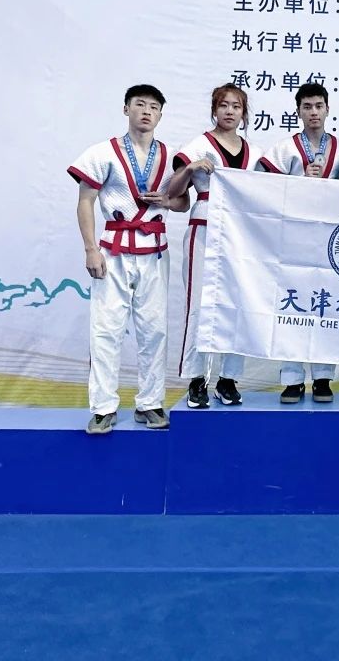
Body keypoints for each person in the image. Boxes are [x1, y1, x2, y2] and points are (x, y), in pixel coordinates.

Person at [67, 85, 177, 435]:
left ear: (160, 115)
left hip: (154, 250)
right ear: (126, 109)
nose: (146, 111)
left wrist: (166, 202)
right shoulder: (102, 152)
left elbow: (183, 203)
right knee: (106, 329)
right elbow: (85, 201)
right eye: (139, 105)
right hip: (113, 251)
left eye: (153, 107)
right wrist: (90, 249)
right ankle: (103, 407)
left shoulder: (171, 157)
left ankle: (150, 402)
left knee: (154, 330)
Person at [257, 82, 339, 404]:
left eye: (318, 106)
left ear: (327, 109)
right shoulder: (284, 149)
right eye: (307, 107)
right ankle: (292, 378)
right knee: (292, 305)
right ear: (298, 111)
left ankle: (323, 377)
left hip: (333, 240)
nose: (313, 112)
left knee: (327, 305)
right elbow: (263, 186)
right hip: (294, 238)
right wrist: (298, 182)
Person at [167, 84, 261, 409]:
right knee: (199, 303)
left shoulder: (254, 153)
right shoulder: (197, 145)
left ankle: (228, 378)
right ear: (214, 110)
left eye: (236, 106)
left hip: (241, 233)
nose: (230, 111)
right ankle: (197, 379)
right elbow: (173, 192)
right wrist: (189, 168)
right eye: (224, 105)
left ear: (244, 113)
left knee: (238, 303)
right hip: (204, 227)